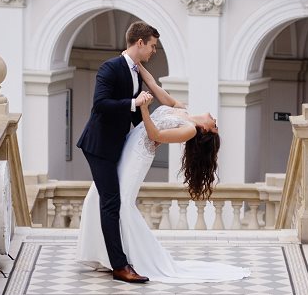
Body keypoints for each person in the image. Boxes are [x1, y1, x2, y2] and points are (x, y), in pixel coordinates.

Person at [75, 99, 250, 285]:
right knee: (96, 195)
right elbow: (154, 85)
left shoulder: (190, 129)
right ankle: (105, 255)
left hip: (138, 155)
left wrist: (143, 108)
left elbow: (154, 134)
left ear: (205, 130)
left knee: (122, 204)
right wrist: (139, 69)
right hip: (129, 146)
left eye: (215, 127)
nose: (216, 122)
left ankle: (127, 260)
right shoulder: (182, 109)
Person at [75, 20, 184, 284]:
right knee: (111, 203)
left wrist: (149, 135)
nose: (153, 51)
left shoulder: (135, 71)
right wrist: (134, 101)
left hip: (116, 145)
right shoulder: (111, 67)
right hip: (99, 146)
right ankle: (119, 266)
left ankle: (105, 256)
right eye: (152, 46)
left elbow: (132, 115)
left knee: (108, 202)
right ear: (140, 43)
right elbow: (100, 104)